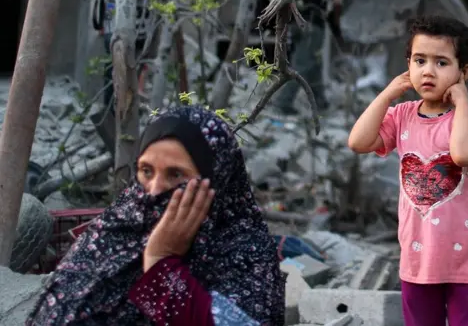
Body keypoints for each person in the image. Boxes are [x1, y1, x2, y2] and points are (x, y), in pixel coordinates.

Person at [26, 105, 286, 325]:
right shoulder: (117, 228)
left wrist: (160, 262)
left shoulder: (246, 253)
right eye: (146, 171)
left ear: (216, 179)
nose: (154, 190)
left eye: (176, 175)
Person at [347, 15, 468, 326]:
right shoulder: (400, 115)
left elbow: (465, 154)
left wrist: (463, 99)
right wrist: (387, 94)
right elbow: (358, 142)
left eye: (441, 63)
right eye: (419, 60)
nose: (428, 70)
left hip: (467, 260)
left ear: (463, 72)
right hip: (418, 258)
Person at [274, 0, 343, 115]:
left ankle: (319, 101)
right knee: (303, 63)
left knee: (314, 63)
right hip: (314, 25)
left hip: (296, 24)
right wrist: (336, 29)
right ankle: (283, 102)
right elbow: (337, 2)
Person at [88, 0, 152, 106]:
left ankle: (120, 121)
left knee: (121, 79)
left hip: (130, 28)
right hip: (117, 25)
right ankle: (114, 118)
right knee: (113, 77)